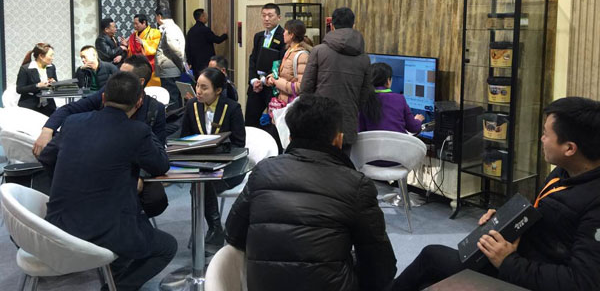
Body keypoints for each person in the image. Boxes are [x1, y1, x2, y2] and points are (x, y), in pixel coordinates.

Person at [391, 96, 600, 291]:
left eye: (546, 134)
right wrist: (505, 222)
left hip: (524, 272)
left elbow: (582, 282)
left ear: (569, 148)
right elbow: (548, 219)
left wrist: (508, 261)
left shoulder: (594, 202)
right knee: (429, 274)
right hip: (520, 258)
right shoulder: (564, 172)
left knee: (431, 259)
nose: (541, 139)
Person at [226, 94, 397, 291]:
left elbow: (233, 234)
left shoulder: (262, 172)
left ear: (290, 138)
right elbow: (381, 268)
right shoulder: (356, 186)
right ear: (338, 140)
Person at [39, 71, 176, 291]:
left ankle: (114, 273)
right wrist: (144, 128)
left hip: (58, 226)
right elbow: (161, 165)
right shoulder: (137, 131)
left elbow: (47, 158)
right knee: (167, 247)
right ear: (139, 103)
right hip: (106, 230)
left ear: (103, 97)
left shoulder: (73, 123)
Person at [33, 55, 169, 218]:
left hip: (136, 168)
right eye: (118, 73)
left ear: (140, 82)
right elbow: (70, 109)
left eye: (124, 75)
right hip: (97, 165)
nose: (118, 78)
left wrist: (139, 177)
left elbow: (158, 154)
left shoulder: (154, 110)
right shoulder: (108, 93)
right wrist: (47, 130)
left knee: (155, 199)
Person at [181, 67, 245, 252]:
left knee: (202, 184)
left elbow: (239, 143)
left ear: (218, 90)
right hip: (202, 166)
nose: (198, 91)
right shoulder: (192, 105)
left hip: (229, 168)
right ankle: (215, 228)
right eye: (197, 86)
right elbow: (184, 137)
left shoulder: (232, 108)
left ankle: (214, 228)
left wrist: (217, 149)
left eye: (204, 87)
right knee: (202, 182)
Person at [301, 7, 372, 154]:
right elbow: (364, 95)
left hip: (319, 121)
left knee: (316, 163)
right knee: (342, 163)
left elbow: (306, 88)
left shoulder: (319, 51)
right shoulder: (365, 58)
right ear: (353, 25)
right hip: (347, 123)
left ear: (332, 25)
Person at [245, 3, 286, 127]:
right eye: (263, 15)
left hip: (272, 85)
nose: (266, 19)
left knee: (274, 123)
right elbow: (253, 59)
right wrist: (253, 80)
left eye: (270, 15)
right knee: (250, 120)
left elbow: (280, 62)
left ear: (278, 17)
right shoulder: (258, 36)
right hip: (256, 85)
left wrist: (264, 80)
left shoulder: (283, 36)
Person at [359, 62, 424, 133]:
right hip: (398, 140)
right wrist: (418, 120)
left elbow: (360, 130)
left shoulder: (363, 99)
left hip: (371, 140)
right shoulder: (399, 99)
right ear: (388, 81)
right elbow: (414, 128)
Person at [265, 19, 312, 105]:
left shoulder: (302, 56)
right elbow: (283, 74)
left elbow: (300, 87)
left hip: (292, 104)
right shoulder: (288, 51)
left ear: (291, 35)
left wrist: (277, 82)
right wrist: (271, 78)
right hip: (282, 101)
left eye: (285, 31)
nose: (283, 34)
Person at [155, 7, 186, 110]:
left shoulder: (169, 29)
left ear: (159, 17)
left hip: (170, 70)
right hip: (171, 68)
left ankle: (173, 119)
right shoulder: (172, 27)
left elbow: (175, 49)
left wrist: (181, 62)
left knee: (171, 98)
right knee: (174, 96)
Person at [16, 43, 57, 116]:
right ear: (41, 56)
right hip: (29, 107)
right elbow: (19, 89)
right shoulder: (25, 69)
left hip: (48, 106)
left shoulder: (51, 67)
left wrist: (54, 83)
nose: (52, 58)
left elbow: (55, 85)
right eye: (51, 55)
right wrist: (37, 85)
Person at [186, 8, 228, 79]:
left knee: (198, 80)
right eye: (205, 15)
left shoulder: (190, 31)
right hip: (206, 62)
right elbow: (217, 40)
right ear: (202, 16)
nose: (207, 17)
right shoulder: (205, 30)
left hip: (195, 63)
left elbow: (187, 48)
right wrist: (225, 35)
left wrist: (189, 62)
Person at [128, 13, 162, 86]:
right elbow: (131, 50)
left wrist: (143, 42)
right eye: (134, 24)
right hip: (136, 65)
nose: (135, 26)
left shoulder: (155, 32)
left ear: (144, 22)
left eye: (136, 24)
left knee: (152, 86)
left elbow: (157, 45)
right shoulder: (133, 35)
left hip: (151, 65)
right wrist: (126, 45)